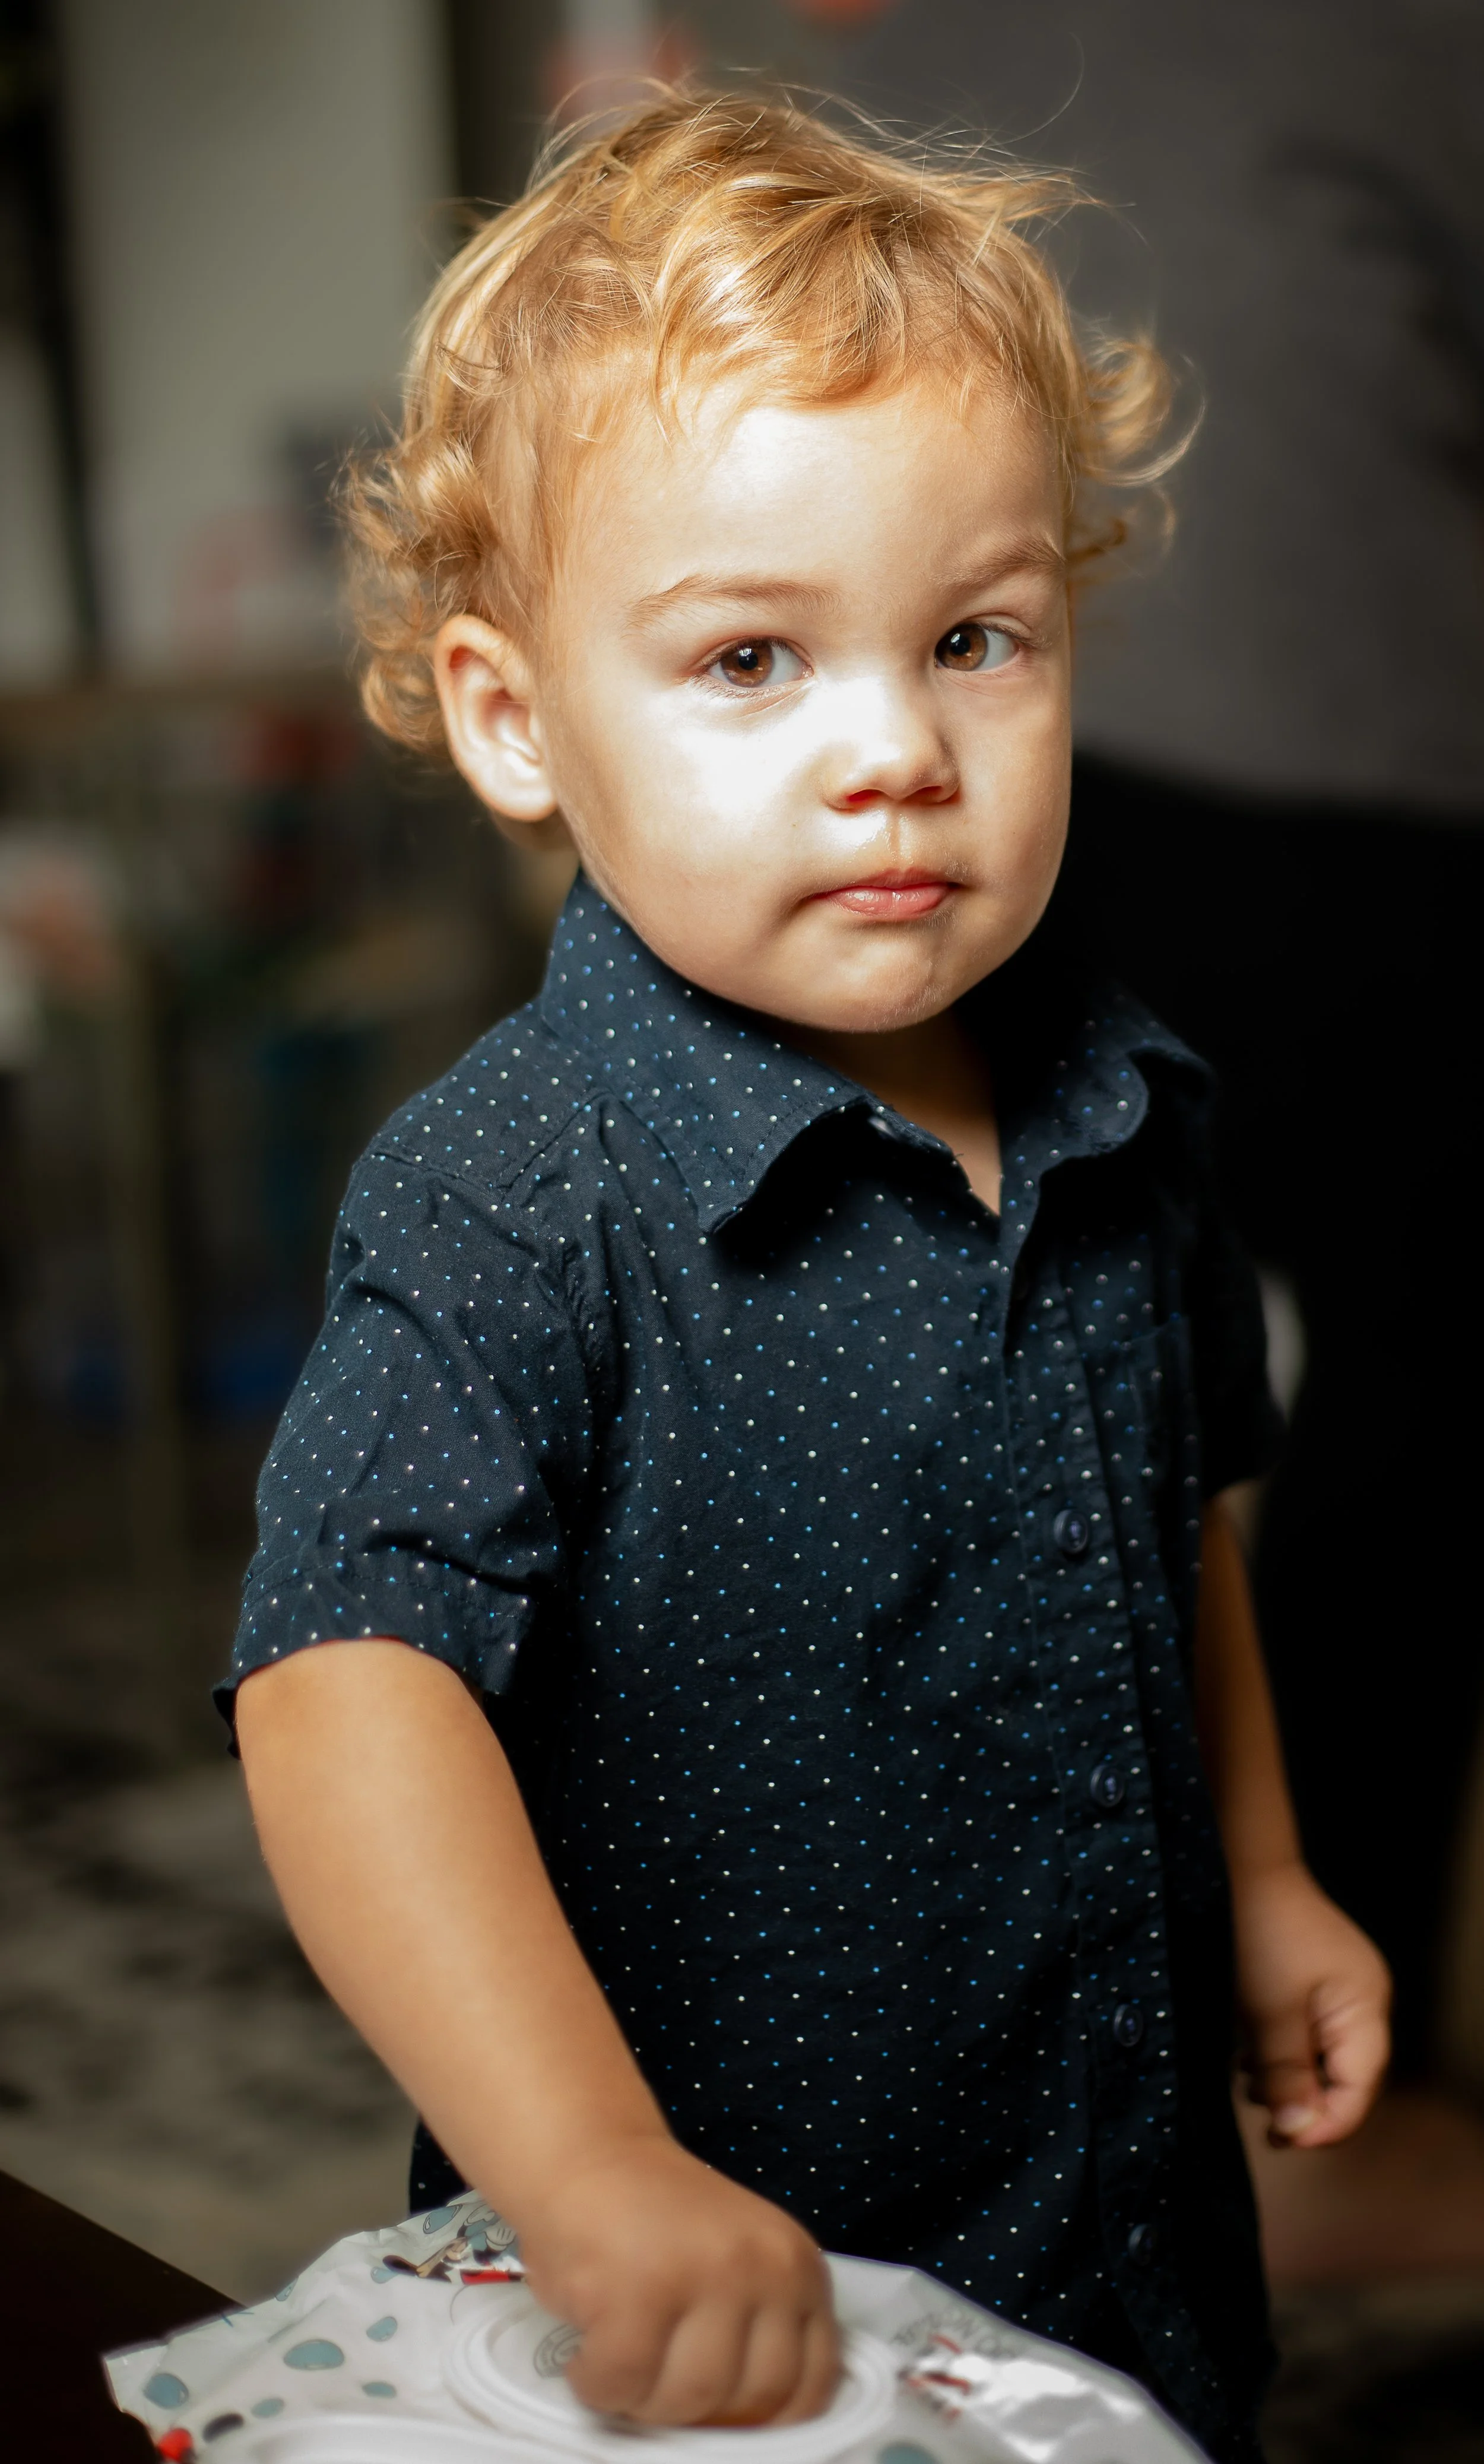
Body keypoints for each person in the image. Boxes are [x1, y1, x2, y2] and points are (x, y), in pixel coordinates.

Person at [227, 93, 1390, 2464]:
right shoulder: (514, 1199)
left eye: (974, 636)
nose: (897, 752)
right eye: (752, 659)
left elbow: (1181, 1524)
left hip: (1117, 2243)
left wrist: (1260, 1875)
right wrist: (588, 2169)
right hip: (720, 2307)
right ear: (511, 714)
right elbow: (345, 1690)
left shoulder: (1128, 1101)